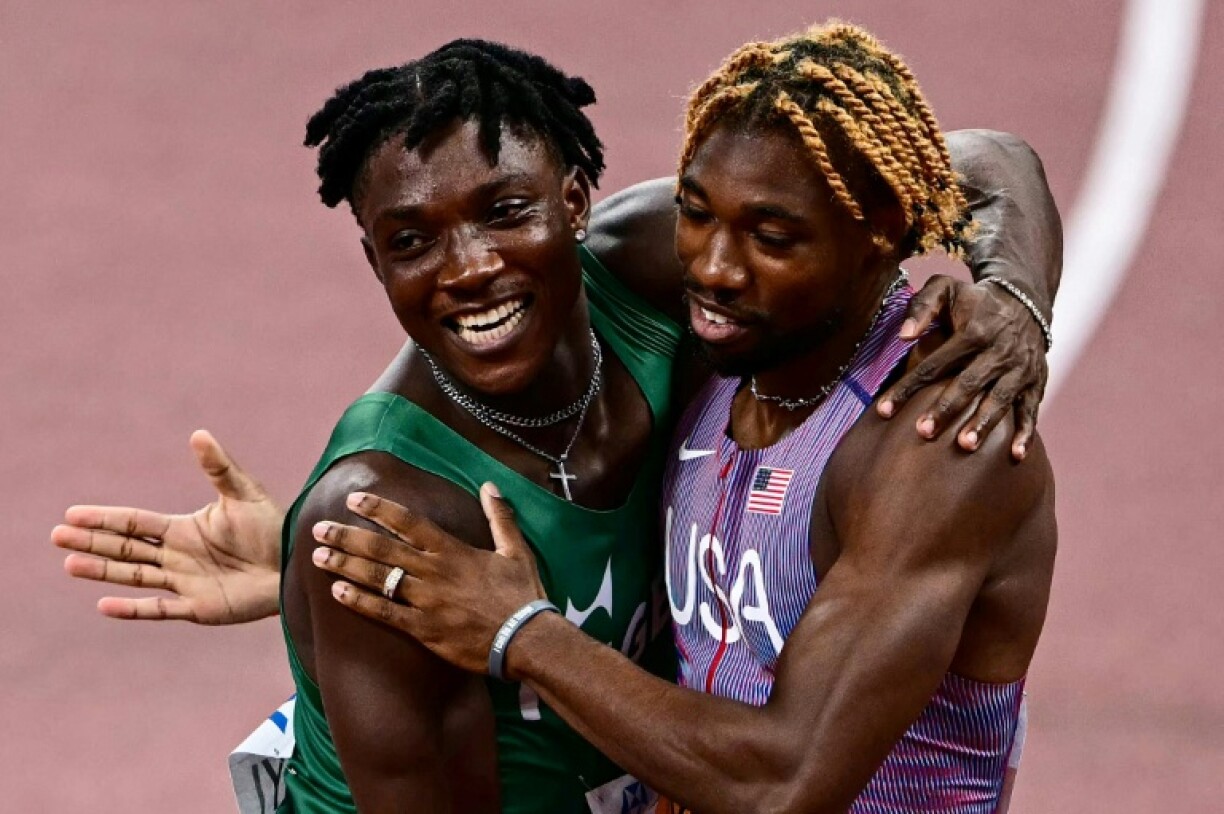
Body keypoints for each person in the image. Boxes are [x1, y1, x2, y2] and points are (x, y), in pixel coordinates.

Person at [51, 32, 1061, 814]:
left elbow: (975, 160)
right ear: (372, 261)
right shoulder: (384, 521)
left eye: (503, 211)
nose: (471, 266)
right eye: (412, 239)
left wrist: (1015, 300)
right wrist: (315, 563)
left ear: (575, 201)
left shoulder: (670, 282)